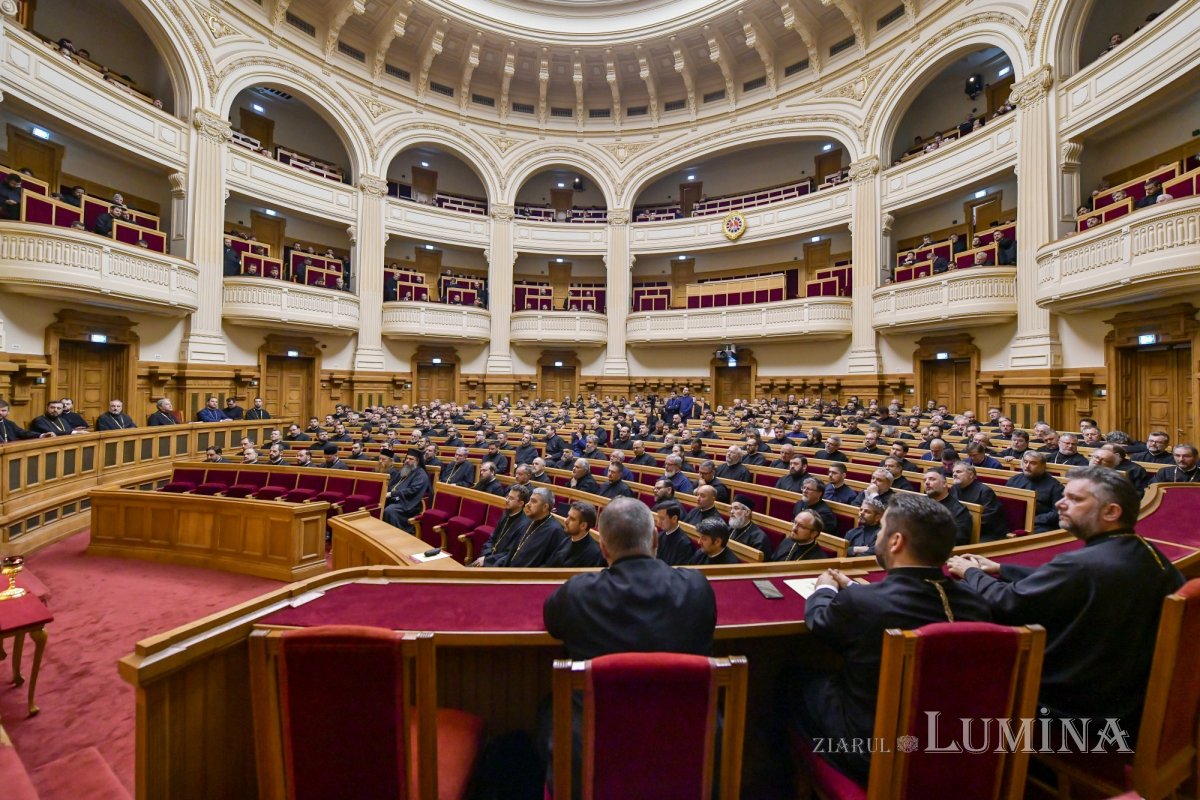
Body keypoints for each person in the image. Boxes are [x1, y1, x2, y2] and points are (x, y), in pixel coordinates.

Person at [948, 467, 1184, 744]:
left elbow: (1008, 604)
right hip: (1127, 694)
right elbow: (1066, 579)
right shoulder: (1146, 550)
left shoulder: (1080, 565)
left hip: (1078, 712)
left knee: (961, 679)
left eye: (1074, 499)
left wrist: (970, 572)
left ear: (1111, 512)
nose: (1060, 502)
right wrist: (1001, 567)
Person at [800, 494, 993, 782]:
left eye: (881, 530)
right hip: (956, 744)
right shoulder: (976, 603)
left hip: (874, 751)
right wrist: (853, 587)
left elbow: (820, 623)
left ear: (896, 541)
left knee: (793, 680)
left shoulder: (863, 603)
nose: (878, 536)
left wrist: (824, 589)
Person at [544, 497, 715, 660]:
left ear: (603, 548)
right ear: (655, 540)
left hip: (603, 691)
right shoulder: (697, 586)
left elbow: (553, 626)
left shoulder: (576, 593)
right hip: (679, 690)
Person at [506, 486, 566, 568]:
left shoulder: (556, 531)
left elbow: (550, 565)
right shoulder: (530, 521)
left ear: (545, 507)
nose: (528, 504)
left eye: (533, 501)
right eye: (529, 500)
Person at [473, 485, 532, 567]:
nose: (507, 500)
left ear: (521, 503)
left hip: (498, 565)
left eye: (511, 498)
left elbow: (509, 553)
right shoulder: (506, 515)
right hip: (488, 558)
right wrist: (486, 554)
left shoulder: (524, 525)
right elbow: (492, 538)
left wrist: (487, 560)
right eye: (507, 497)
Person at [1005, 451, 1063, 532]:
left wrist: (1032, 520)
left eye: (1033, 463)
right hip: (1013, 520)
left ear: (1043, 466)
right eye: (1025, 462)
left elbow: (1058, 512)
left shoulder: (1055, 486)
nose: (1027, 466)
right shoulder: (1014, 480)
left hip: (1039, 524)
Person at [951, 461, 1007, 541]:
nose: (954, 474)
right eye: (953, 472)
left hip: (986, 533)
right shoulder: (954, 488)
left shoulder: (985, 492)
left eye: (959, 472)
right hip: (962, 527)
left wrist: (961, 526)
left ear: (971, 475)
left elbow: (988, 519)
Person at [382, 449, 431, 531]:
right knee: (378, 504)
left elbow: (413, 490)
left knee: (389, 510)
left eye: (411, 459)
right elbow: (392, 483)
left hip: (409, 503)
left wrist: (392, 494)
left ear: (417, 461)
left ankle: (395, 533)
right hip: (396, 499)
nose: (407, 461)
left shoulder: (421, 474)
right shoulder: (405, 469)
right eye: (407, 458)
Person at [546, 501, 605, 568]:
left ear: (583, 525)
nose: (566, 521)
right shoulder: (567, 540)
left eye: (572, 519)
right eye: (568, 516)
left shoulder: (593, 554)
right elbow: (549, 564)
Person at [923, 467, 972, 545]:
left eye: (932, 479)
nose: (927, 483)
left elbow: (960, 539)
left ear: (944, 484)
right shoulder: (919, 502)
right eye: (924, 480)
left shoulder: (959, 510)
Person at [652, 500, 695, 566]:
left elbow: (679, 570)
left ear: (674, 519)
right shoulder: (660, 536)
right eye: (658, 518)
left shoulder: (684, 544)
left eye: (662, 519)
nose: (658, 522)